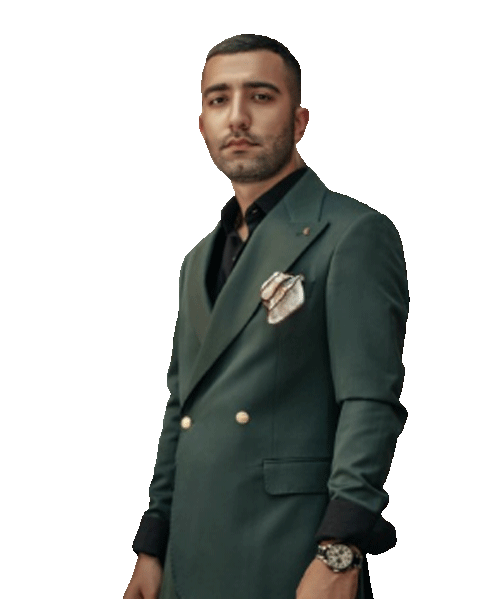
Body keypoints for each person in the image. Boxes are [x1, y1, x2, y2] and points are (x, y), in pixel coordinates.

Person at [124, 34, 409, 599]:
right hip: (190, 552)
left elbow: (369, 402)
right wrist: (152, 544)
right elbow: (182, 409)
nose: (237, 117)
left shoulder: (353, 234)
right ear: (201, 125)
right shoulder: (198, 259)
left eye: (260, 96)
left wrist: (341, 548)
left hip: (289, 553)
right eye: (218, 99)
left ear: (299, 121)